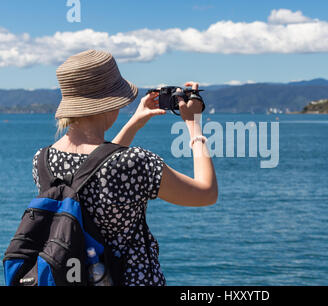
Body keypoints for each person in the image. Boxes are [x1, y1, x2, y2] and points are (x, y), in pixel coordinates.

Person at [31, 50, 218, 286]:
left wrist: (134, 123)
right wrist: (194, 126)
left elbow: (95, 169)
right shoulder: (136, 162)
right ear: (110, 103)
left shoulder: (43, 161)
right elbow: (206, 193)